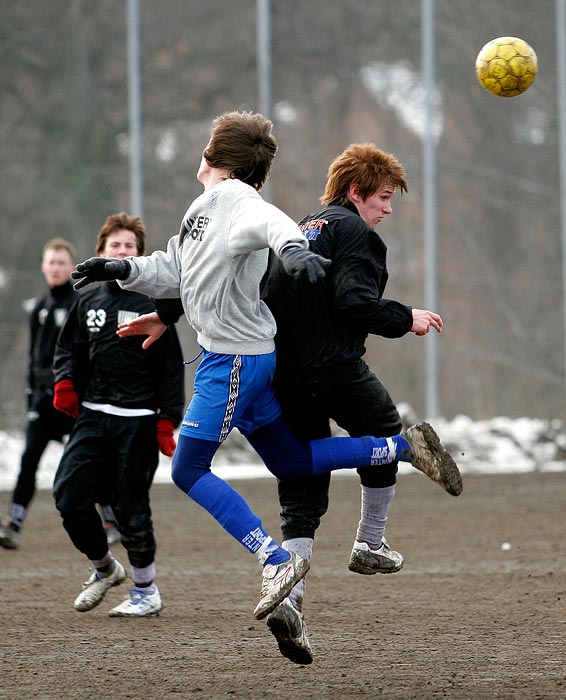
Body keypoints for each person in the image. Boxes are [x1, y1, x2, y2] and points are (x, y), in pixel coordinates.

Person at [71, 111, 461, 622]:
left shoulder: (239, 202)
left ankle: (276, 559)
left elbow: (270, 222)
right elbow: (176, 268)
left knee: (188, 469)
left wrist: (294, 248)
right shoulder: (205, 207)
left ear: (213, 155)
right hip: (247, 359)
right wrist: (123, 270)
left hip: (234, 360)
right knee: (294, 462)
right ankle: (401, 447)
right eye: (384, 198)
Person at [260, 143, 459, 664]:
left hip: (284, 373)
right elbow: (353, 303)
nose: (387, 210)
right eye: (384, 198)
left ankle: (291, 596)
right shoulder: (357, 233)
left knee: (303, 481)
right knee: (390, 433)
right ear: (356, 192)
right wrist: (405, 317)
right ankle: (370, 542)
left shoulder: (301, 227)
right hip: (334, 367)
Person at [52, 212, 185, 617]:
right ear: (101, 253)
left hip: (138, 421)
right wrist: (65, 383)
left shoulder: (154, 305)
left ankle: (146, 591)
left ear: (139, 256)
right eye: (115, 246)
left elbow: (170, 367)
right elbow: (68, 350)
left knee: (131, 508)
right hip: (93, 417)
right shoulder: (87, 299)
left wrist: (167, 421)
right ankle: (105, 568)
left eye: (129, 247)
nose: (122, 251)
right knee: (68, 496)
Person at [0, 239, 77, 550]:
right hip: (43, 402)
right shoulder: (39, 309)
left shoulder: (79, 304)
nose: (56, 268)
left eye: (62, 262)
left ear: (71, 268)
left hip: (73, 400)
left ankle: (110, 521)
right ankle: (14, 522)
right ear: (44, 268)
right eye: (51, 262)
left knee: (87, 461)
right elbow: (34, 357)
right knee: (28, 459)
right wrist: (32, 394)